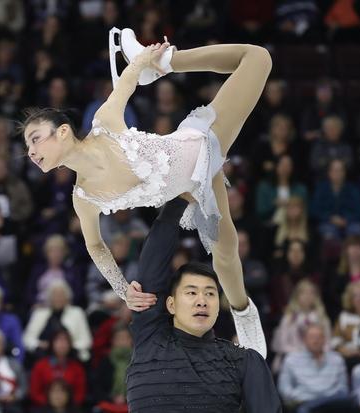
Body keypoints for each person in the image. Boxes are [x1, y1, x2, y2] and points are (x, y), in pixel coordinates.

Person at [23, 28, 273, 356]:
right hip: (191, 188)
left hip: (202, 141)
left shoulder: (104, 124)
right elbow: (95, 245)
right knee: (226, 250)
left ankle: (170, 61)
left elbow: (127, 80)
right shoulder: (83, 198)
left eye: (35, 138)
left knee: (257, 57)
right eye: (27, 145)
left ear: (64, 132)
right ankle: (242, 311)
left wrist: (145, 58)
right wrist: (123, 289)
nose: (30, 150)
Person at [121, 198, 280, 411]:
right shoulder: (150, 337)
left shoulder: (242, 360)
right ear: (171, 304)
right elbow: (152, 267)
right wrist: (178, 199)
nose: (202, 301)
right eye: (191, 292)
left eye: (210, 293)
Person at [278, 323, 351, 413]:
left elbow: (343, 388)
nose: (316, 340)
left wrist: (319, 400)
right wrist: (303, 397)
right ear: (304, 340)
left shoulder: (337, 359)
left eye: (319, 337)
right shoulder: (291, 360)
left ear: (324, 339)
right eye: (312, 337)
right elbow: (284, 389)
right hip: (303, 402)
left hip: (332, 403)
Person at [23, 279, 92, 362]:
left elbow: (86, 340)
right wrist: (40, 344)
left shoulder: (77, 313)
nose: (58, 298)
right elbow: (27, 339)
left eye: (61, 295)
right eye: (55, 295)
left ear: (67, 297)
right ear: (49, 297)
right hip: (43, 356)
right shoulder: (39, 313)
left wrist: (66, 347)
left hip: (71, 357)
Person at [271, 279, 331, 372]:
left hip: (317, 357)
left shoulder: (321, 317)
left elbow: (327, 342)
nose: (307, 296)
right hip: (294, 357)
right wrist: (300, 354)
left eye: (311, 293)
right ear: (297, 296)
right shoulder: (289, 317)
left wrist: (318, 353)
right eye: (304, 293)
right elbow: (282, 344)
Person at [29, 329, 86, 408]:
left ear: (70, 344)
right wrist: (51, 403)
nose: (62, 344)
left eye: (65, 340)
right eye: (58, 340)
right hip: (45, 408)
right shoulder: (40, 366)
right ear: (52, 343)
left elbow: (80, 394)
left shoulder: (77, 368)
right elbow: (34, 393)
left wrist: (67, 405)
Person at [311, 159, 360, 240]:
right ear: (329, 173)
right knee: (328, 232)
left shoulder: (353, 188)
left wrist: (346, 219)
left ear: (344, 173)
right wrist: (330, 218)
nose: (338, 173)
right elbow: (315, 210)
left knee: (357, 230)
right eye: (335, 170)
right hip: (327, 222)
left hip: (350, 222)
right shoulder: (321, 188)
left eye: (340, 170)